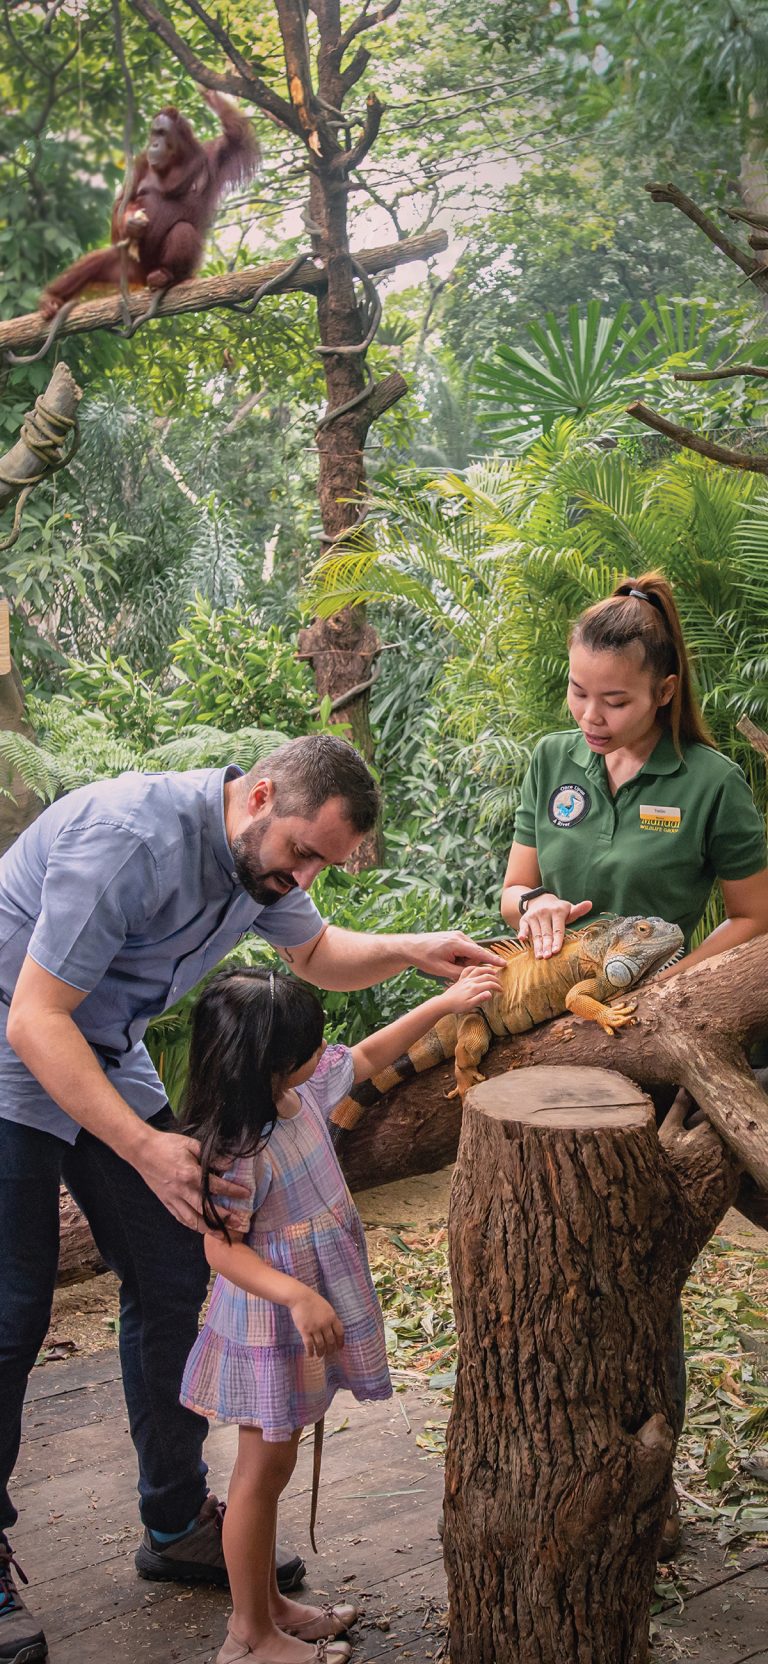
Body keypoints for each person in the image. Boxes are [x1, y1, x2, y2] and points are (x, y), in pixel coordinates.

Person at [0, 734, 501, 1664]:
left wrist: (412, 951)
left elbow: (315, 955)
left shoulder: (261, 861)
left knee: (170, 1271)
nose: (305, 875)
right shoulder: (130, 840)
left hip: (103, 1047)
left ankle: (177, 1516)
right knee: (12, 1311)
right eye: (305, 853)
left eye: (325, 862)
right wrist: (149, 1146)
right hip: (14, 1045)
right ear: (259, 795)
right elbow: (36, 1018)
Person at [499, 571, 768, 1554]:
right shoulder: (552, 760)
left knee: (638, 1270)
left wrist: (662, 1001)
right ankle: (562, 1466)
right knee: (549, 1261)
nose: (591, 714)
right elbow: (518, 883)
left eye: (613, 698)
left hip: (652, 1050)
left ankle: (650, 1487)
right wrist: (526, 908)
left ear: (662, 687)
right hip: (552, 1046)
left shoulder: (710, 780)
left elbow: (753, 915)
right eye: (578, 692)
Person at [178, 959, 501, 1664]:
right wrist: (297, 1295)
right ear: (266, 1062)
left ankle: (268, 1604)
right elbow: (221, 1252)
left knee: (275, 1468)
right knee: (258, 1477)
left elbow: (368, 1053)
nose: (320, 1057)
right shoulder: (233, 1148)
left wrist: (446, 1002)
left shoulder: (298, 1092)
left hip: (304, 1312)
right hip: (273, 1322)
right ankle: (248, 1635)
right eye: (304, 1049)